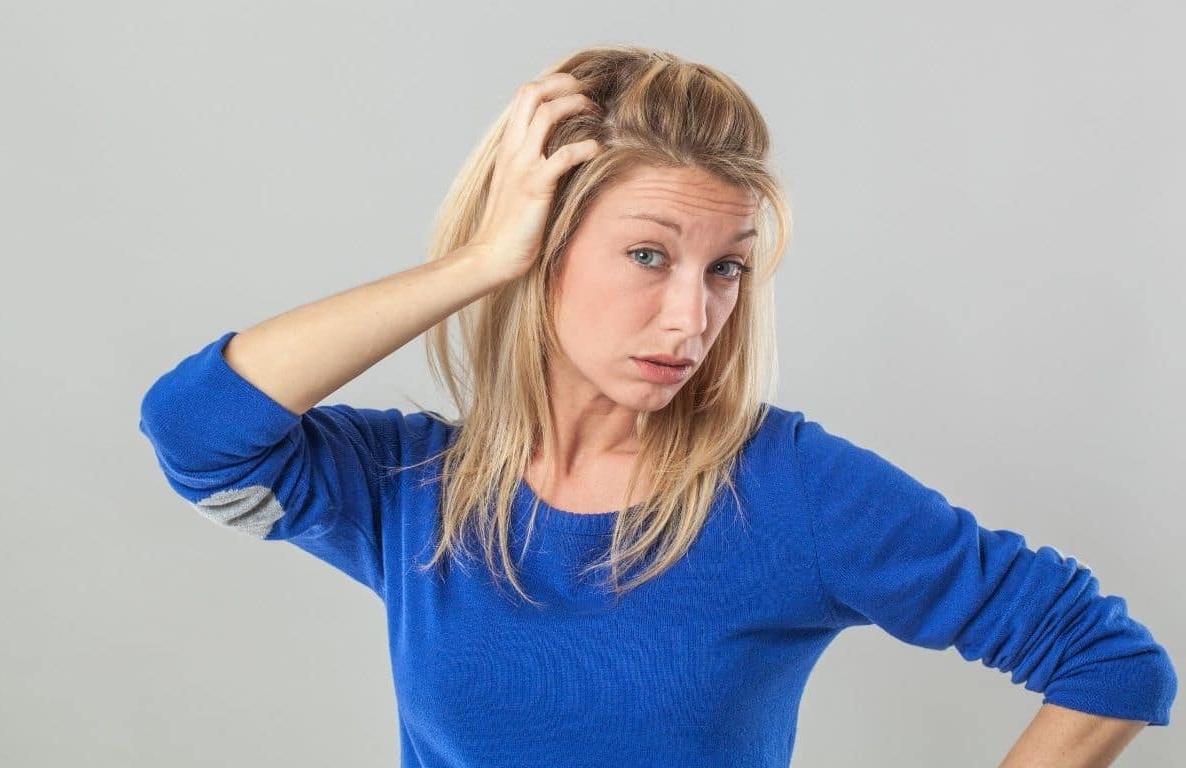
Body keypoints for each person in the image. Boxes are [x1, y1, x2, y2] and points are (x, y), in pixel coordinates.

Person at [137, 45, 1175, 767]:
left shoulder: (790, 490)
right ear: (541, 248)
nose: (693, 317)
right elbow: (195, 427)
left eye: (727, 269)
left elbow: (1108, 662)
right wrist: (479, 261)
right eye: (647, 255)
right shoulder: (415, 494)